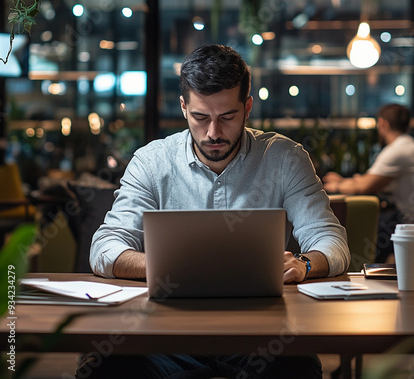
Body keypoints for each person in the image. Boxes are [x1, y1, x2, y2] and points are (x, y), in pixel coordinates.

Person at [80, 44, 350, 379]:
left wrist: (305, 264)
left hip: (260, 336)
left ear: (247, 107)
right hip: (164, 335)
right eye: (200, 117)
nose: (213, 133)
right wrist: (165, 266)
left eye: (227, 117)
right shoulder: (151, 162)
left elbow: (332, 241)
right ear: (183, 107)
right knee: (103, 366)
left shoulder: (284, 159)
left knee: (299, 368)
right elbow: (105, 247)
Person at [323, 103, 414, 261]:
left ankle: (358, 268)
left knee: (361, 230)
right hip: (405, 218)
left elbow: (363, 186)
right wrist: (345, 180)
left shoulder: (397, 150)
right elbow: (370, 178)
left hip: (406, 221)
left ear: (382, 124)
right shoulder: (407, 146)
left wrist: (336, 185)